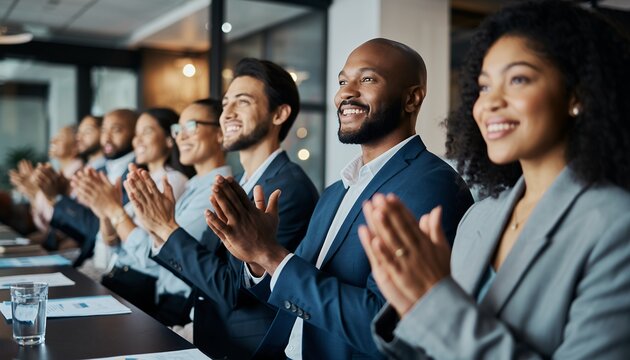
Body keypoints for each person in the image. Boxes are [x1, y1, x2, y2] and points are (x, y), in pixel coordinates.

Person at [363, 2, 630, 359]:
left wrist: (433, 302)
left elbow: (447, 322)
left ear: (578, 94)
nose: (489, 103)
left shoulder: (616, 226)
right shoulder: (481, 216)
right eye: (484, 87)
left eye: (518, 79)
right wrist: (411, 299)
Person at [205, 39, 473, 359]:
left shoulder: (433, 186)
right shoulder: (337, 190)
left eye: (368, 79)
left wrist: (270, 254)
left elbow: (386, 328)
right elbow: (291, 290)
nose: (346, 93)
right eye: (343, 81)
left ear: (412, 98)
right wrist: (257, 258)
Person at [124, 58, 319, 358]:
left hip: (245, 348)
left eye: (242, 102)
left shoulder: (288, 188)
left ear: (279, 113)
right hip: (207, 334)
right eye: (226, 103)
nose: (227, 113)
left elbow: (234, 290)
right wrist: (157, 227)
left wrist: (166, 227)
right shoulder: (237, 181)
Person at [71, 108, 194, 318]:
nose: (137, 140)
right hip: (119, 274)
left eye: (146, 132)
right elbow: (112, 242)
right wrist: (103, 211)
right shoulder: (140, 177)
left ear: (168, 139)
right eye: (136, 134)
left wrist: (113, 210)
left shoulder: (171, 181)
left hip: (141, 285)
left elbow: (149, 255)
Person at [33, 109, 138, 266]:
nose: (107, 137)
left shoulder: (133, 174)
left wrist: (57, 197)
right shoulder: (105, 169)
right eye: (104, 130)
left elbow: (93, 227)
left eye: (115, 130)